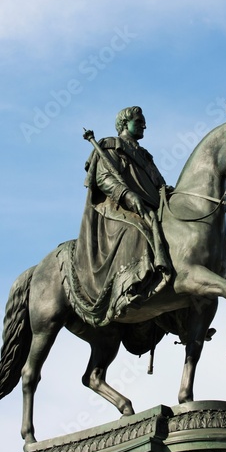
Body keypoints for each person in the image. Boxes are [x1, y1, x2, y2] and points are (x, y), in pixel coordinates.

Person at [75, 106, 171, 326]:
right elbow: (103, 178)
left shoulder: (145, 156)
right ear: (124, 124)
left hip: (150, 209)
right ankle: (127, 290)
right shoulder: (110, 146)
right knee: (136, 229)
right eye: (139, 122)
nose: (144, 125)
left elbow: (159, 185)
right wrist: (127, 195)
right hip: (118, 208)